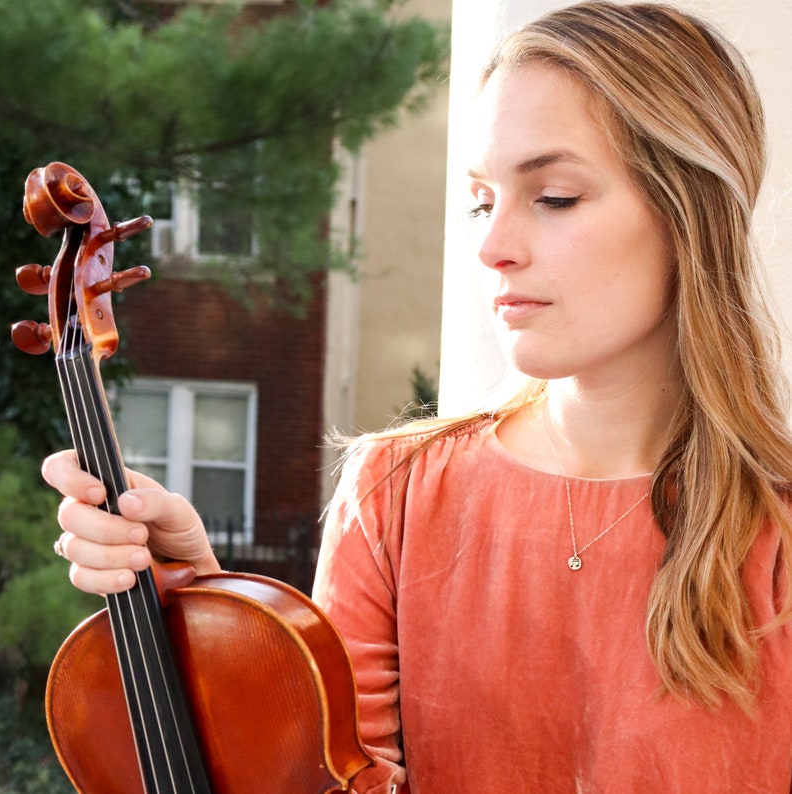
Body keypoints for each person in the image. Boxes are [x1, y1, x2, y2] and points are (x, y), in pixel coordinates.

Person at [42, 2, 792, 792]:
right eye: (480, 200)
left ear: (691, 213)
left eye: (556, 197)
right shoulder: (396, 493)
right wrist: (211, 608)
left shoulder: (771, 532)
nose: (493, 247)